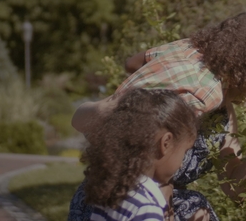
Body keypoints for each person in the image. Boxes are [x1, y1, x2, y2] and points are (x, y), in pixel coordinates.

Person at [69, 11, 246, 221]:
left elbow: (236, 189)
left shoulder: (221, 111)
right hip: (126, 204)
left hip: (127, 199)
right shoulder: (199, 94)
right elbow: (144, 163)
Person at [83, 88, 198, 221]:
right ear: (166, 143)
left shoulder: (116, 192)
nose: (182, 163)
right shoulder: (146, 208)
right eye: (184, 152)